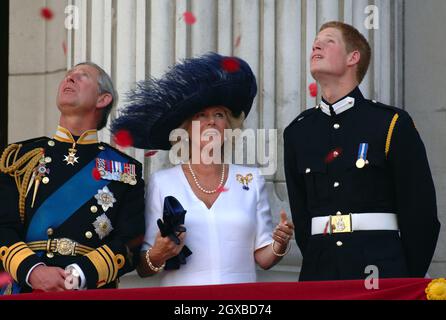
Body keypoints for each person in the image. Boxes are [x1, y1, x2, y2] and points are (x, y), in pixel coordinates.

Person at [111, 52, 295, 286]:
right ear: (186, 129)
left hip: (239, 304)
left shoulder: (251, 178)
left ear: (228, 125)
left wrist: (279, 244)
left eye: (219, 115)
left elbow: (264, 257)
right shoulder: (162, 182)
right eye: (201, 115)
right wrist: (159, 252)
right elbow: (145, 268)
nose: (211, 122)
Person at [284, 21, 441, 281]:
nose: (316, 45)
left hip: (382, 270)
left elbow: (420, 215)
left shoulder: (390, 123)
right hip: (319, 270)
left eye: (329, 40)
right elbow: (302, 219)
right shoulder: (298, 132)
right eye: (315, 41)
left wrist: (403, 279)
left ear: (353, 57)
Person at [0, 62, 145, 294]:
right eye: (68, 75)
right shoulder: (20, 158)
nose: (70, 78)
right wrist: (32, 270)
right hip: (27, 286)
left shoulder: (125, 169)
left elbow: (130, 242)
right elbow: (3, 226)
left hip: (89, 289)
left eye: (82, 76)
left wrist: (79, 275)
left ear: (102, 99)